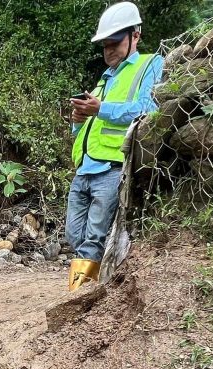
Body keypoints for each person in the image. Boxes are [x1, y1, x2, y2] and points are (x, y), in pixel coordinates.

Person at [66, 2, 163, 291]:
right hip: (85, 167)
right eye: (105, 45)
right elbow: (87, 125)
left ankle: (76, 294)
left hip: (111, 167)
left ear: (136, 35)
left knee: (94, 236)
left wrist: (101, 109)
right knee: (74, 235)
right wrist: (77, 119)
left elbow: (149, 108)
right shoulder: (105, 78)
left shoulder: (150, 64)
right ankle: (90, 283)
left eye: (114, 42)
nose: (109, 50)